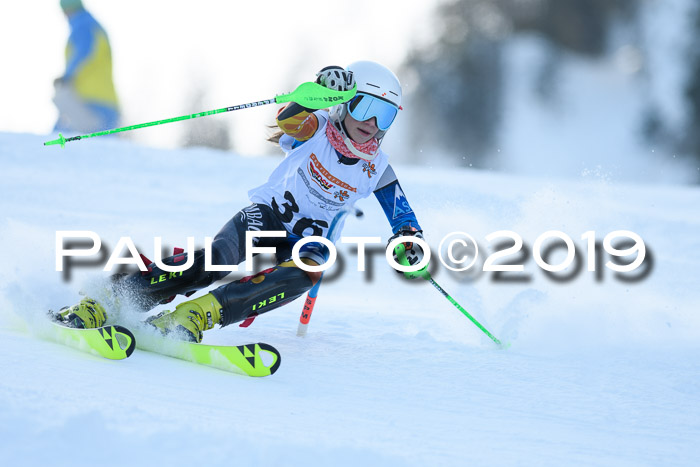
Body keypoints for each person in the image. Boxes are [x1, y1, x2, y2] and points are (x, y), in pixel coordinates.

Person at [58, 61, 429, 342]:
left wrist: (410, 244)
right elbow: (290, 117)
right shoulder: (317, 128)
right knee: (218, 258)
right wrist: (318, 91)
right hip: (267, 215)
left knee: (308, 271)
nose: (371, 123)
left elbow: (403, 218)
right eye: (364, 108)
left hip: (307, 242)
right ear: (342, 104)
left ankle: (197, 314)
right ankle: (112, 298)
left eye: (384, 115)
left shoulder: (376, 168)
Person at [53, 0, 120, 133]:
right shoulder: (93, 26)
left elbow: (83, 51)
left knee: (60, 138)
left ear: (70, 10)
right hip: (106, 102)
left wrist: (66, 77)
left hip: (91, 102)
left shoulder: (83, 26)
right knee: (101, 148)